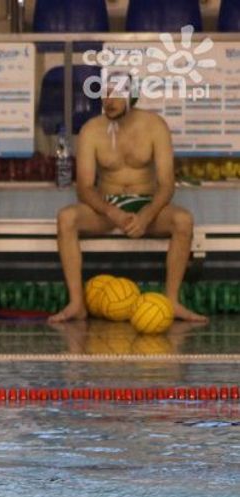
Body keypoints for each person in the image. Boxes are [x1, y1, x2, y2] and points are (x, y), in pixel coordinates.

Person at [48, 71, 207, 324]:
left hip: (146, 202)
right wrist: (113, 212)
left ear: (132, 96)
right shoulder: (91, 130)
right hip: (108, 205)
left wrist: (146, 215)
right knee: (66, 218)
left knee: (183, 221)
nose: (109, 100)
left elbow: (166, 185)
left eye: (117, 94)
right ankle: (77, 303)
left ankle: (172, 301)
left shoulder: (155, 126)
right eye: (105, 93)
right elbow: (85, 188)